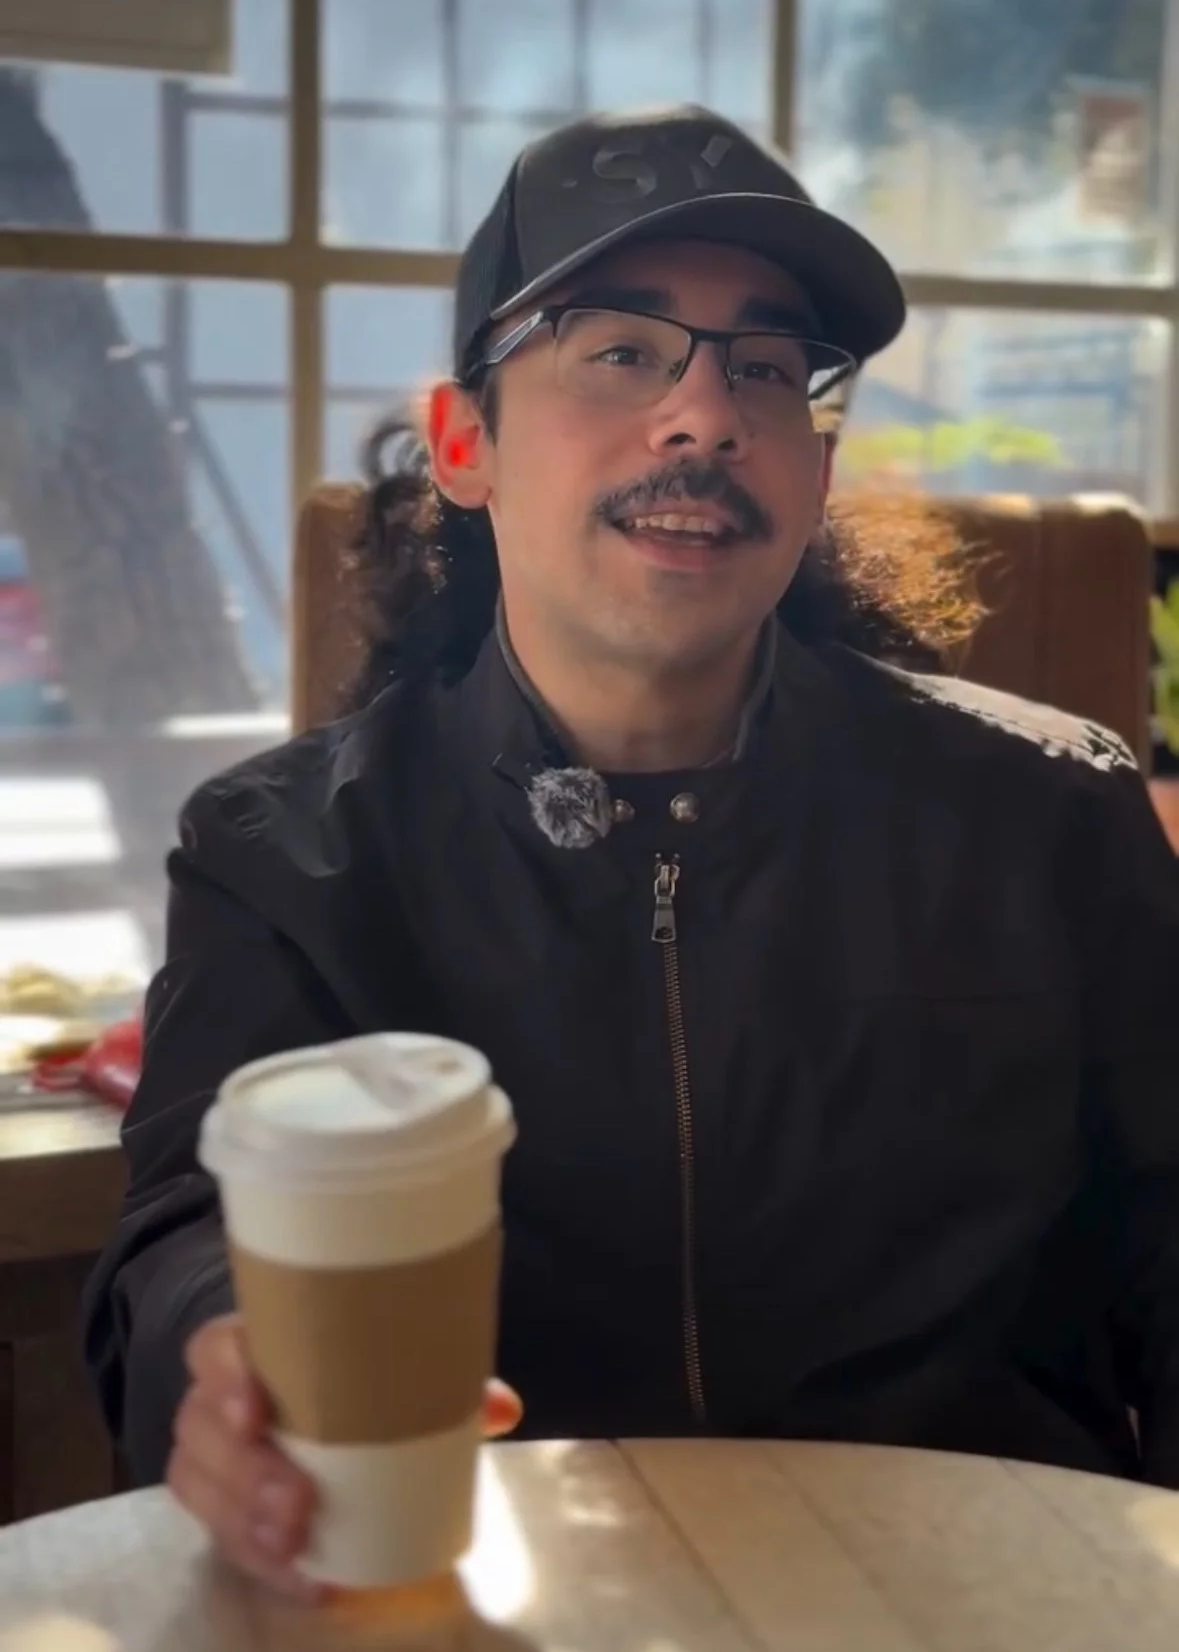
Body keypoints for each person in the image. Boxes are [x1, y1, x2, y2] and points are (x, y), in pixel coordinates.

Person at [84, 104, 1179, 1601]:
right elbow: (184, 1237)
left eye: (766, 367)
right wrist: (228, 1349)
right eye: (619, 350)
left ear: (813, 464)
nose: (704, 416)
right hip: (497, 1593)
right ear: (463, 444)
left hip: (983, 1589)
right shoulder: (285, 856)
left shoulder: (1048, 815)